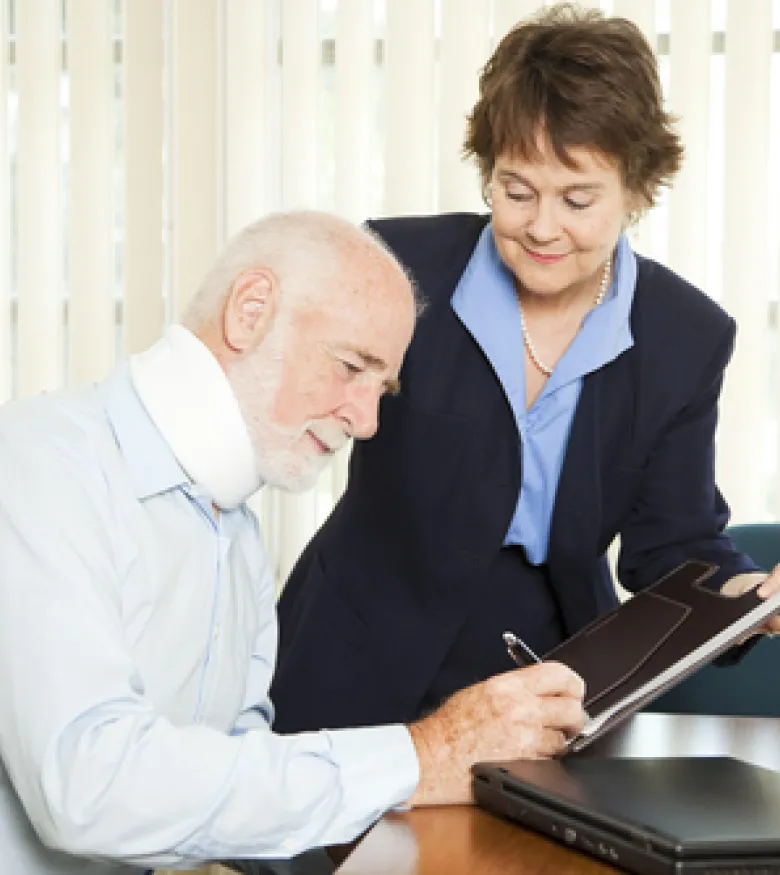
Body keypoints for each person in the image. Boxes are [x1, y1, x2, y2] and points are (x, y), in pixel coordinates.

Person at [0, 211, 587, 875]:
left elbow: (239, 772)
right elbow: (87, 786)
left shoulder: (235, 530)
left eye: (381, 387)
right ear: (250, 311)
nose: (366, 421)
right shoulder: (35, 466)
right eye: (351, 367)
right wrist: (424, 755)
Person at [271, 4, 780, 736]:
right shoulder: (397, 269)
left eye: (577, 199)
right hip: (356, 651)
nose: (542, 226)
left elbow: (675, 542)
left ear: (637, 190)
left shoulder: (685, 337)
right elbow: (291, 407)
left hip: (545, 670)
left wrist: (748, 600)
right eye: (516, 191)